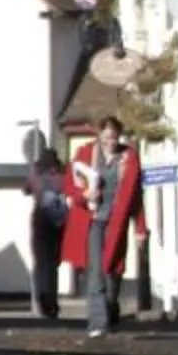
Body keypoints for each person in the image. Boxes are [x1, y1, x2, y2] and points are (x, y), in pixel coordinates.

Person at [62, 118, 145, 339]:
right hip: (93, 220)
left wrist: (140, 228)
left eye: (114, 137)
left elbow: (137, 197)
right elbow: (70, 186)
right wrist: (84, 195)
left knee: (113, 270)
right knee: (96, 271)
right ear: (99, 135)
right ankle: (98, 321)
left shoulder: (129, 158)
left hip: (117, 221)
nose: (111, 142)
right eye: (107, 137)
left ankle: (111, 310)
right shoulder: (84, 154)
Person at [25, 148, 69, 319]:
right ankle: (52, 301)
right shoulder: (62, 177)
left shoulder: (37, 177)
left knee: (40, 263)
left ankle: (43, 299)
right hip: (58, 222)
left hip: (40, 220)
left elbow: (26, 189)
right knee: (53, 264)